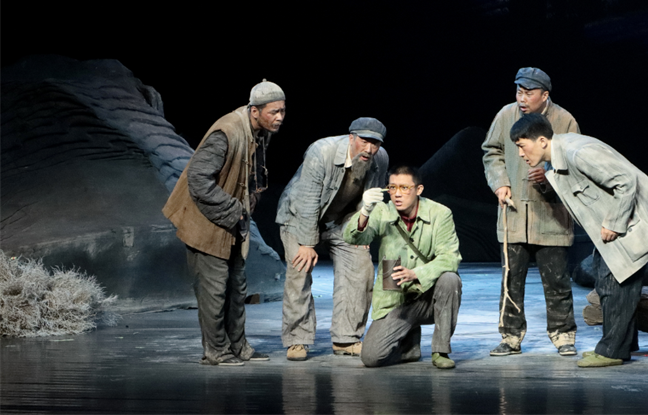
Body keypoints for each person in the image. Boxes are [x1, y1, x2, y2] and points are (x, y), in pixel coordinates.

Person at [510, 113, 648, 367]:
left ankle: (611, 351)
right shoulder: (557, 159)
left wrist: (614, 222)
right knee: (610, 280)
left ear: (541, 141)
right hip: (615, 226)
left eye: (522, 146)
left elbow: (625, 180)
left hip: (632, 222)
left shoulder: (578, 153)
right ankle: (623, 346)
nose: (520, 154)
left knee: (614, 283)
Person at [162, 79, 286, 366]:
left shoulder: (258, 133)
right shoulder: (227, 133)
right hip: (206, 222)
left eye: (282, 111)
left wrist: (249, 201)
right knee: (214, 292)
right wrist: (235, 209)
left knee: (236, 288)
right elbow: (198, 179)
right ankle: (216, 351)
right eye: (274, 112)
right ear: (255, 111)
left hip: (231, 224)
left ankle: (238, 346)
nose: (279, 117)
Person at [481, 67, 580, 357]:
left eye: (529, 93)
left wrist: (548, 176)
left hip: (551, 214)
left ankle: (563, 334)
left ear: (545, 95)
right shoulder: (506, 115)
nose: (522, 99)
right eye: (519, 92)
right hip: (513, 211)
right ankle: (510, 336)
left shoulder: (564, 120)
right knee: (511, 279)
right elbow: (492, 151)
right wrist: (500, 183)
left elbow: (575, 162)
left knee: (557, 279)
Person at [276, 117, 389, 361]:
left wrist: (362, 230)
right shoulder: (322, 151)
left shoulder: (381, 159)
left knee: (360, 267)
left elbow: (371, 200)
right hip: (299, 216)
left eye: (375, 144)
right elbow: (308, 199)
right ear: (351, 138)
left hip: (341, 220)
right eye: (364, 141)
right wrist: (307, 243)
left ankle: (346, 338)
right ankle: (297, 339)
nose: (369, 149)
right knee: (299, 270)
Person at [343, 165, 462, 369]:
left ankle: (440, 350)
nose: (397, 194)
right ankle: (409, 347)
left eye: (404, 188)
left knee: (450, 279)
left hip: (428, 296)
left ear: (419, 189)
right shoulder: (382, 211)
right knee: (371, 358)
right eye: (392, 187)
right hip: (395, 296)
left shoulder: (440, 213)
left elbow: (450, 257)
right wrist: (365, 211)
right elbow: (353, 238)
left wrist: (417, 273)